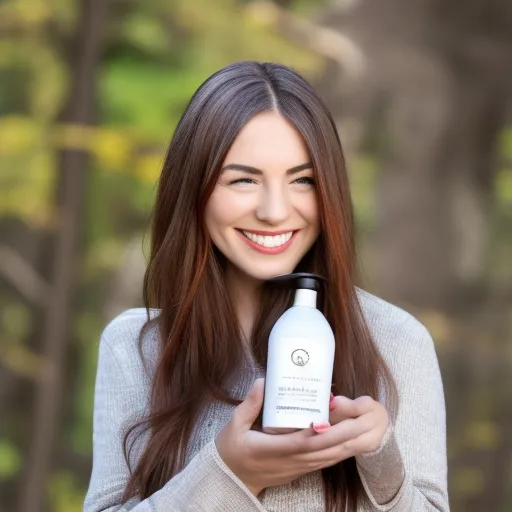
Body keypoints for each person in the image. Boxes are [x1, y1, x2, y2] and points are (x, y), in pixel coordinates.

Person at [84, 61, 449, 512]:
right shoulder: (137, 347)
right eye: (243, 180)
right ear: (192, 188)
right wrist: (231, 473)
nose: (275, 211)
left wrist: (382, 462)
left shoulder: (395, 341)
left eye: (302, 180)